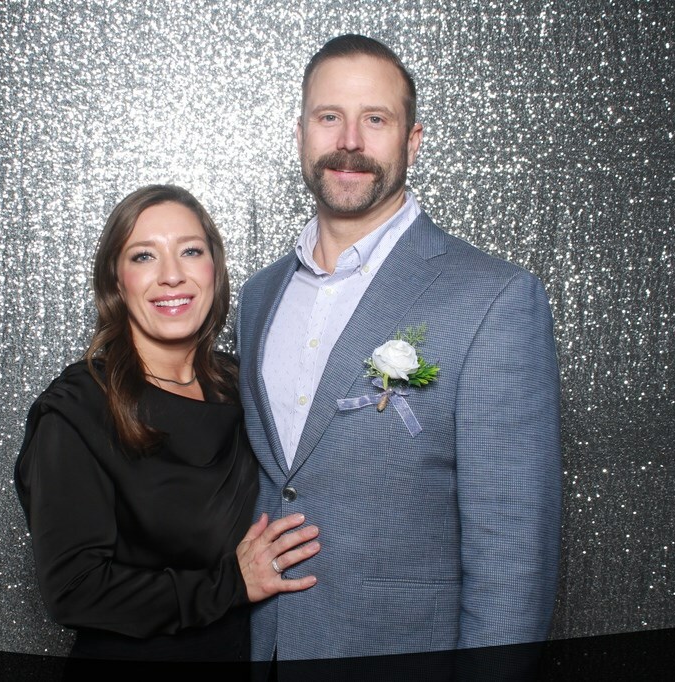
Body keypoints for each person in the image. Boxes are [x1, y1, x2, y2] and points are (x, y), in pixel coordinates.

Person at [237, 35, 562, 665]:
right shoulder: (259, 297)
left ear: (412, 141)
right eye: (329, 117)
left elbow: (514, 550)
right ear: (301, 134)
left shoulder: (494, 298)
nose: (349, 141)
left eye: (375, 120)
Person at [15, 185, 319, 662]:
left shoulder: (246, 387)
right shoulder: (78, 409)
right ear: (117, 282)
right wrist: (230, 584)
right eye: (144, 256)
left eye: (190, 251)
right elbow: (74, 590)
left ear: (215, 270)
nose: (172, 275)